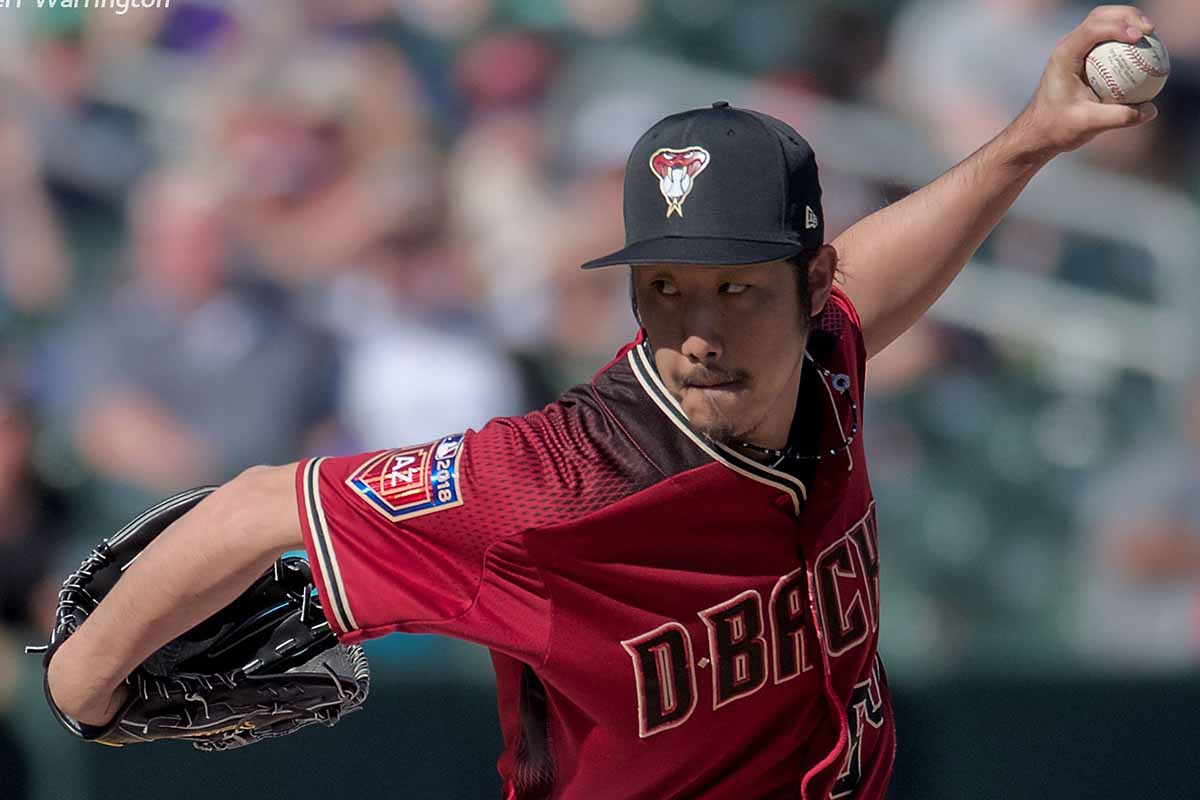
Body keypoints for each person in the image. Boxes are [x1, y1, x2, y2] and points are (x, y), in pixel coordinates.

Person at [44, 8, 1159, 799]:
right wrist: (81, 682)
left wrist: (1033, 139)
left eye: (735, 286)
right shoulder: (549, 482)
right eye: (665, 288)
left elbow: (876, 271)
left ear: (809, 287)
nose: (699, 331)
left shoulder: (823, 355)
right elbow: (258, 505)